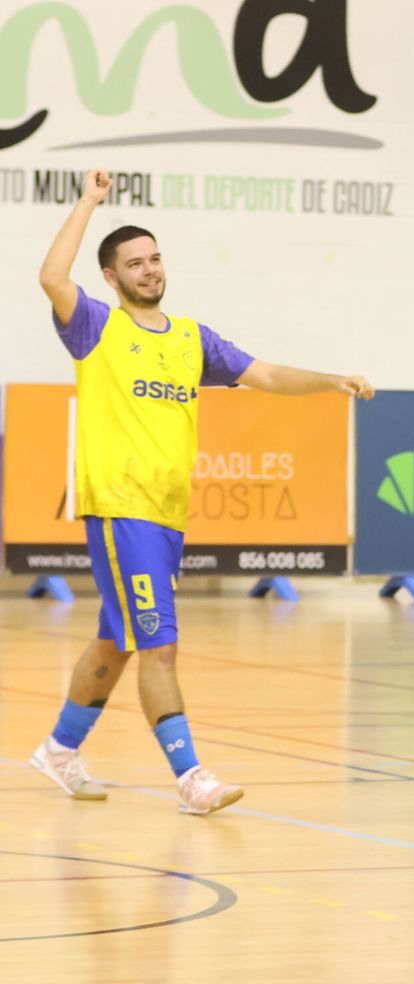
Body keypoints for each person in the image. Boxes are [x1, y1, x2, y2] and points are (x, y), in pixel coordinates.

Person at [28, 168, 375, 815]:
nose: (149, 269)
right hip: (120, 509)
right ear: (111, 275)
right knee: (159, 643)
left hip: (166, 517)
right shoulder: (97, 327)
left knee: (118, 639)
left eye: (155, 257)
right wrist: (89, 200)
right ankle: (191, 777)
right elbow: (51, 278)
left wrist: (332, 378)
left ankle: (58, 748)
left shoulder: (191, 338)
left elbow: (265, 372)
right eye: (134, 262)